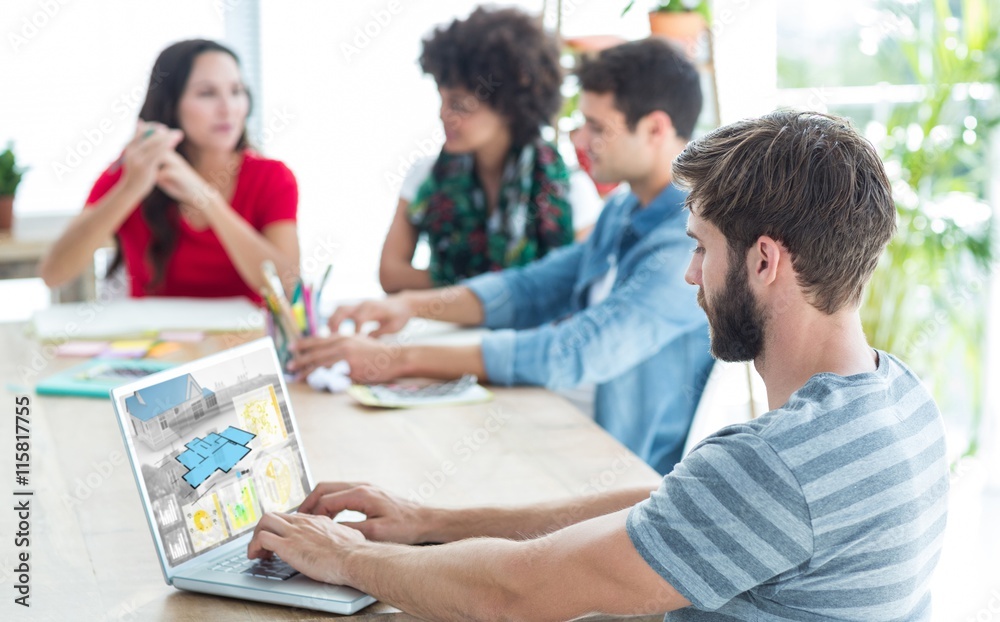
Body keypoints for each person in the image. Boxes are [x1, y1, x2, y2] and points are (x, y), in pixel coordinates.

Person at [250, 111, 948, 620]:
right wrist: (428, 519)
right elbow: (669, 508)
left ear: (765, 261)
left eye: (702, 248)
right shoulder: (899, 394)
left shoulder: (781, 464)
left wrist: (345, 558)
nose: (691, 276)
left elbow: (517, 591)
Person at [293, 38, 714, 476]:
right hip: (562, 417)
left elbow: (577, 351)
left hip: (614, 464)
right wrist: (406, 305)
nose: (580, 139)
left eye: (595, 126)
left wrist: (397, 359)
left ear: (656, 129)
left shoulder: (688, 241)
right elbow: (530, 287)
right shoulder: (625, 209)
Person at [40, 39, 300, 304]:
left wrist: (205, 198)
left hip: (248, 341)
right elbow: (54, 274)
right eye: (207, 93)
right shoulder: (134, 169)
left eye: (236, 91)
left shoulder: (272, 177)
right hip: (158, 342)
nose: (227, 108)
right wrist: (131, 188)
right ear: (170, 104)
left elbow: (290, 288)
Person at [379, 6, 603, 293]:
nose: (444, 114)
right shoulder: (425, 176)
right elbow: (391, 274)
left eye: (460, 105)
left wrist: (466, 289)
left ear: (508, 106)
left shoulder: (570, 189)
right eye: (442, 100)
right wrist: (500, 289)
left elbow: (578, 283)